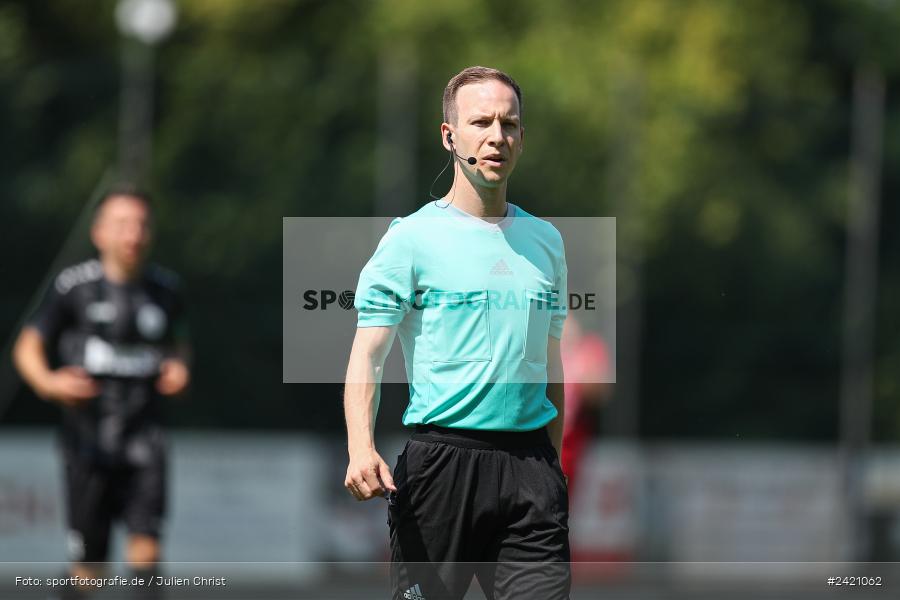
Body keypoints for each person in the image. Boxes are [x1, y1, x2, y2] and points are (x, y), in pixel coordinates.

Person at [344, 66, 570, 600]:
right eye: (481, 122)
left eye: (510, 124)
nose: (497, 137)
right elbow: (367, 355)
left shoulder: (547, 242)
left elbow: (551, 362)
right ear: (450, 136)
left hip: (531, 470)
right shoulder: (410, 240)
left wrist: (553, 469)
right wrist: (360, 447)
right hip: (442, 467)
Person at [12, 186, 190, 599]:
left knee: (147, 555)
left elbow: (179, 343)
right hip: (88, 442)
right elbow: (27, 347)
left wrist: (180, 368)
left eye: (142, 225)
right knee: (90, 570)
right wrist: (49, 383)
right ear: (99, 232)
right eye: (123, 224)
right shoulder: (73, 287)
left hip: (146, 437)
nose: (134, 234)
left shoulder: (166, 290)